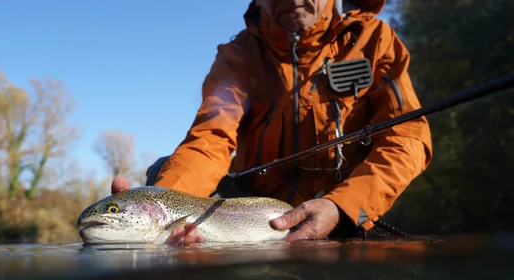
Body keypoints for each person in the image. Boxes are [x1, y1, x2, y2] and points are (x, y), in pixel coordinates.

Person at [112, 0, 432, 245]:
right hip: (252, 216)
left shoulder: (374, 41)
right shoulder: (238, 58)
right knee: (162, 172)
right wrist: (160, 208)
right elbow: (209, 142)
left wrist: (342, 206)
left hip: (347, 207)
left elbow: (407, 139)